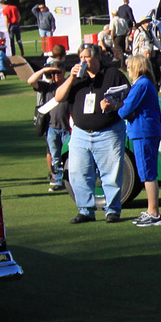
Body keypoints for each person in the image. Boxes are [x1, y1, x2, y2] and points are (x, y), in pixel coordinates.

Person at [53, 43, 128, 223]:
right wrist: (71, 78)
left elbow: (129, 99)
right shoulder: (77, 78)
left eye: (87, 57)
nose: (83, 60)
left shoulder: (113, 75)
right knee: (78, 173)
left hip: (108, 131)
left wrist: (114, 106)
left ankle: (112, 210)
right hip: (80, 133)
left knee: (110, 173)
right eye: (80, 57)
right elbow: (58, 97)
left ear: (96, 57)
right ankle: (85, 210)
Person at [106, 55, 161, 226]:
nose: (128, 70)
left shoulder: (141, 84)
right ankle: (151, 210)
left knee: (147, 173)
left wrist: (113, 105)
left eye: (130, 67)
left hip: (144, 132)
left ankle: (154, 212)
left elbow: (125, 110)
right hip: (145, 131)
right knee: (147, 172)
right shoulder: (145, 83)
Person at [29, 48, 71, 190]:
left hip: (67, 128)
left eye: (57, 73)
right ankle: (59, 181)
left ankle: (70, 181)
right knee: (55, 157)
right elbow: (31, 81)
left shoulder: (69, 86)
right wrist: (44, 71)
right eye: (53, 73)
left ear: (63, 72)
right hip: (52, 128)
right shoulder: (47, 87)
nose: (55, 76)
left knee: (70, 157)